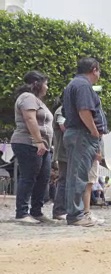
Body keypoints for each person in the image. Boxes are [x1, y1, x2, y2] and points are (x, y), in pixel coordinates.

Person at [62, 58, 107, 227]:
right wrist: (94, 132)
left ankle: (77, 213)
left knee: (77, 175)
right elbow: (84, 111)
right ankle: (75, 214)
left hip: (77, 134)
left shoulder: (73, 85)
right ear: (94, 69)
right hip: (83, 134)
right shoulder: (83, 86)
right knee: (78, 177)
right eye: (99, 71)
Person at [10, 70, 54, 224]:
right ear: (37, 84)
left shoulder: (37, 100)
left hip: (42, 145)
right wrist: (38, 141)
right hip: (28, 142)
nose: (47, 87)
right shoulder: (27, 97)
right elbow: (30, 118)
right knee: (29, 177)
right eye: (46, 84)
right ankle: (22, 212)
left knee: (43, 178)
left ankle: (37, 211)